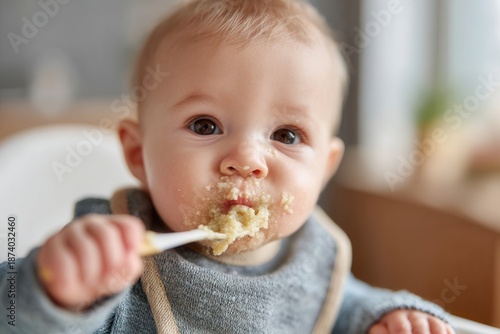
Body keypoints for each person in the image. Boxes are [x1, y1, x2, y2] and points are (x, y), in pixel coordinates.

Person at [0, 0, 455, 333]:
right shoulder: (116, 249)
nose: (246, 160)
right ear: (139, 154)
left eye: (287, 136)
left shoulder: (311, 252)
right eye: (205, 125)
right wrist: (53, 293)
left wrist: (389, 317)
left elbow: (346, 306)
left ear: (324, 167)